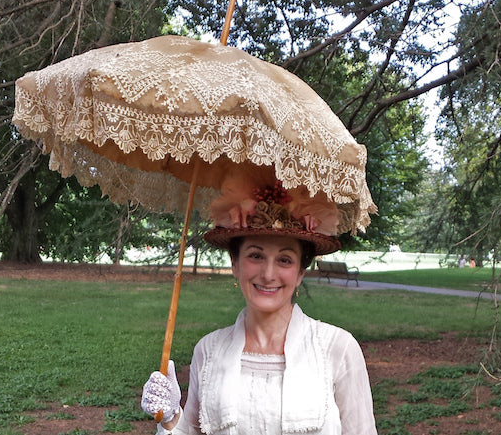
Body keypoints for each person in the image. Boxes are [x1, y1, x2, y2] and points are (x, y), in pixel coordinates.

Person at [141, 174, 378, 435]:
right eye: (255, 255)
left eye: (285, 260)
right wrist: (172, 421)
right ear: (235, 264)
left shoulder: (338, 349)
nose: (268, 274)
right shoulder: (208, 351)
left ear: (300, 271)